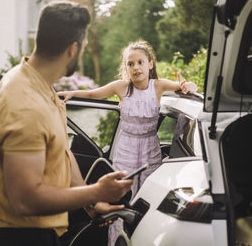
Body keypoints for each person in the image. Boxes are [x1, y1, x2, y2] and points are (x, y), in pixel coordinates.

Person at [0, 0, 133, 246]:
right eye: (83, 46)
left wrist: (90, 203)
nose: (82, 50)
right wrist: (97, 191)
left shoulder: (42, 87)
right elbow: (25, 199)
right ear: (72, 50)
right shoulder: (25, 102)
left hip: (43, 231)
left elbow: (63, 151)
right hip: (19, 237)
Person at [58, 39, 198, 245]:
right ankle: (116, 241)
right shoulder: (121, 87)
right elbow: (93, 94)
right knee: (120, 200)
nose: (136, 68)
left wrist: (188, 85)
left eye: (140, 62)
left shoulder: (158, 86)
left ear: (150, 64)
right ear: (126, 68)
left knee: (148, 198)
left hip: (150, 149)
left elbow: (184, 86)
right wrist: (72, 93)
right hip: (126, 149)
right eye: (130, 64)